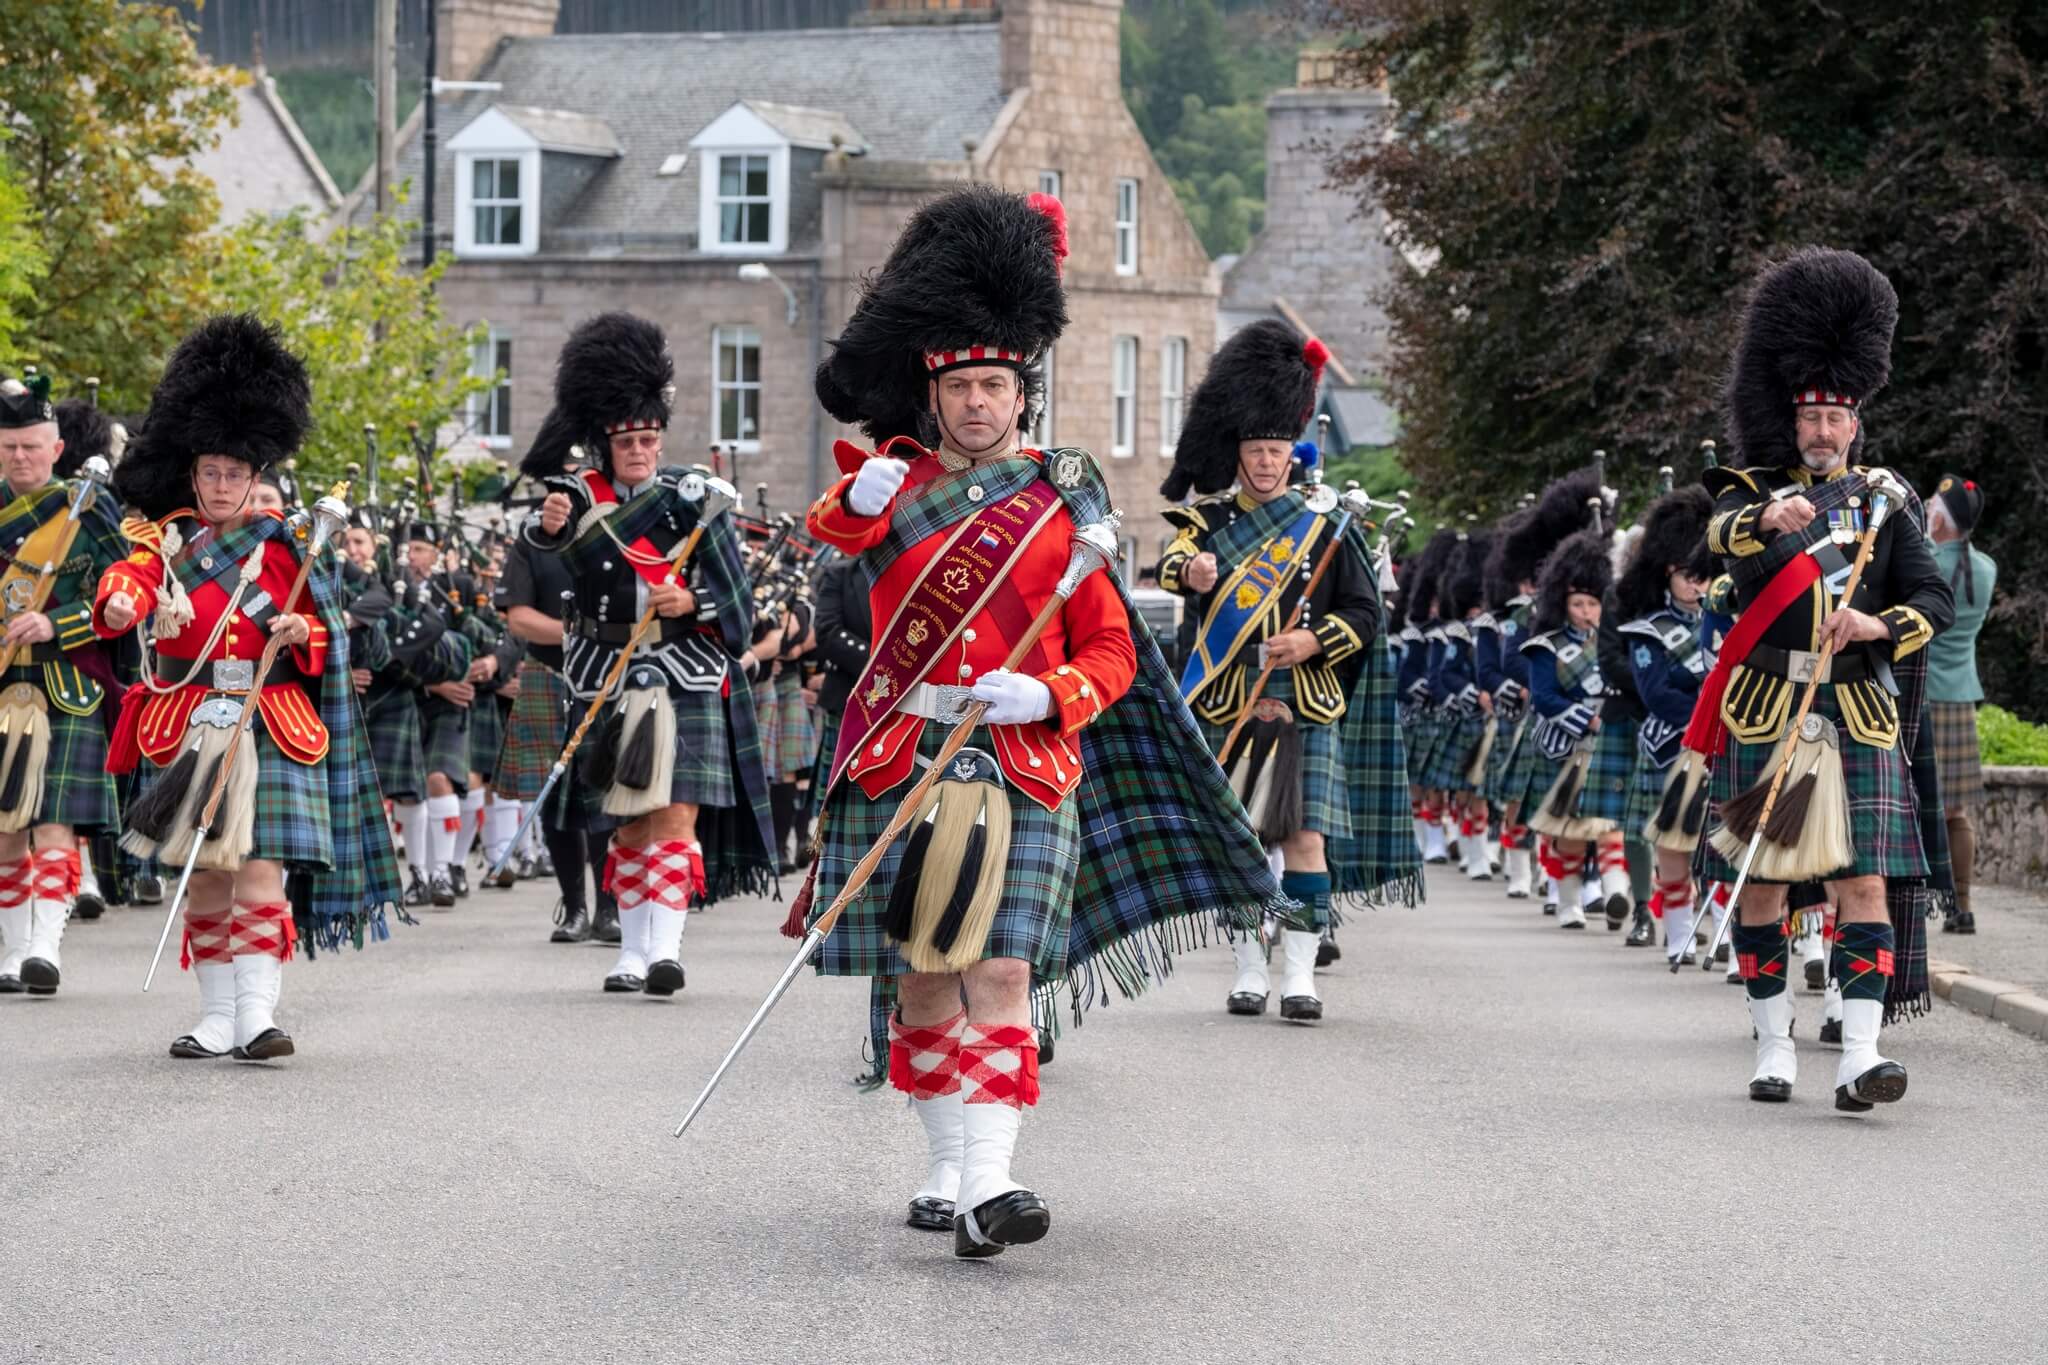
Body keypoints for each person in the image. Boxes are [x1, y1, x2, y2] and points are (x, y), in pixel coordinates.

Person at [798, 185, 1285, 1257]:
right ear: (932, 397)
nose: (981, 403)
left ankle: (990, 1179)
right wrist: (863, 500)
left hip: (1024, 759)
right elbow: (823, 540)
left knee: (1006, 970)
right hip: (908, 758)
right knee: (924, 975)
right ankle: (941, 1161)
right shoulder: (889, 490)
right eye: (964, 386)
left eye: (997, 385)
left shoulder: (1064, 503)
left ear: (1021, 393)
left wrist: (1049, 695)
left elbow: (1112, 651)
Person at [93, 313, 402, 1058]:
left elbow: (323, 627)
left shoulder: (287, 547)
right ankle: (215, 1017)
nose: (223, 484)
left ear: (255, 477)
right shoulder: (160, 540)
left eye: (236, 474)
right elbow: (121, 589)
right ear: (192, 472)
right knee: (205, 877)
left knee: (260, 866)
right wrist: (120, 603)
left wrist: (306, 634)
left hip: (271, 720)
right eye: (211, 472)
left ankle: (258, 1014)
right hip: (192, 720)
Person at [1700, 248, 1954, 1111]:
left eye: (1835, 416)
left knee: (1865, 885)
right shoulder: (1752, 494)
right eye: (1810, 414)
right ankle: (1773, 1043)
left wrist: (1879, 623)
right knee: (1765, 886)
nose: (1821, 430)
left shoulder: (1888, 500)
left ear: (1856, 420)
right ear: (1791, 414)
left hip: (1855, 707)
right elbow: (1716, 541)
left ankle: (1859, 1052)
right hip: (1771, 704)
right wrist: (1769, 517)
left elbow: (1934, 598)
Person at [1157, 316, 1410, 1021]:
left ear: (1290, 452)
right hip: (1229, 697)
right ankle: (1247, 968)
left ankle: (1300, 975)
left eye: (1275, 451)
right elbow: (1171, 565)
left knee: (1304, 839)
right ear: (1236, 453)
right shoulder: (1204, 523)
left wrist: (1314, 640)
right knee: (1242, 839)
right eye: (1254, 452)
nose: (1265, 463)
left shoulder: (1326, 525)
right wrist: (1194, 573)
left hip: (1306, 697)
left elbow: (1366, 613)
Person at [524, 312, 778, 997]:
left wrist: (691, 604)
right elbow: (540, 546)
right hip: (605, 676)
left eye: (648, 438)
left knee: (674, 813)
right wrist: (547, 529)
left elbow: (740, 601)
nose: (640, 450)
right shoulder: (578, 499)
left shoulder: (693, 500)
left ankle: (665, 949)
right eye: (628, 440)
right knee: (627, 820)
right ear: (605, 444)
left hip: (682, 675)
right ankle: (631, 950)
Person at [0, 374, 126, 996]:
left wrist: (57, 620)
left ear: (56, 449)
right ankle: (11, 949)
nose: (20, 457)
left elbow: (118, 594)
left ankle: (45, 946)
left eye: (31, 446)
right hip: (1, 681)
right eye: (8, 446)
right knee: (4, 828)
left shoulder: (87, 504)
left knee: (53, 823)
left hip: (66, 680)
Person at [493, 509, 618, 943]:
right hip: (549, 675)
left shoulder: (615, 530)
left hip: (607, 679)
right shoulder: (531, 540)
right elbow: (519, 618)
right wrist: (581, 636)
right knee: (554, 800)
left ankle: (609, 909)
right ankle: (575, 909)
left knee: (606, 795)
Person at [1617, 486, 1716, 961]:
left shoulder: (1729, 622)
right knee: (1675, 847)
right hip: (1671, 747)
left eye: (1703, 576)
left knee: (1723, 844)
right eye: (1686, 576)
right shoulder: (1648, 630)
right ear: (1668, 573)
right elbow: (1657, 694)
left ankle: (1728, 939)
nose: (1696, 585)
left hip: (1722, 746)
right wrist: (1706, 712)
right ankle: (1678, 936)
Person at [1923, 474, 1994, 934]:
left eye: (1933, 505)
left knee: (1911, 805)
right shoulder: (1986, 568)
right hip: (1961, 695)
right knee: (1956, 812)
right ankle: (1961, 905)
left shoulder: (1926, 562)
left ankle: (1908, 903)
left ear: (1941, 519)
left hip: (1921, 695)